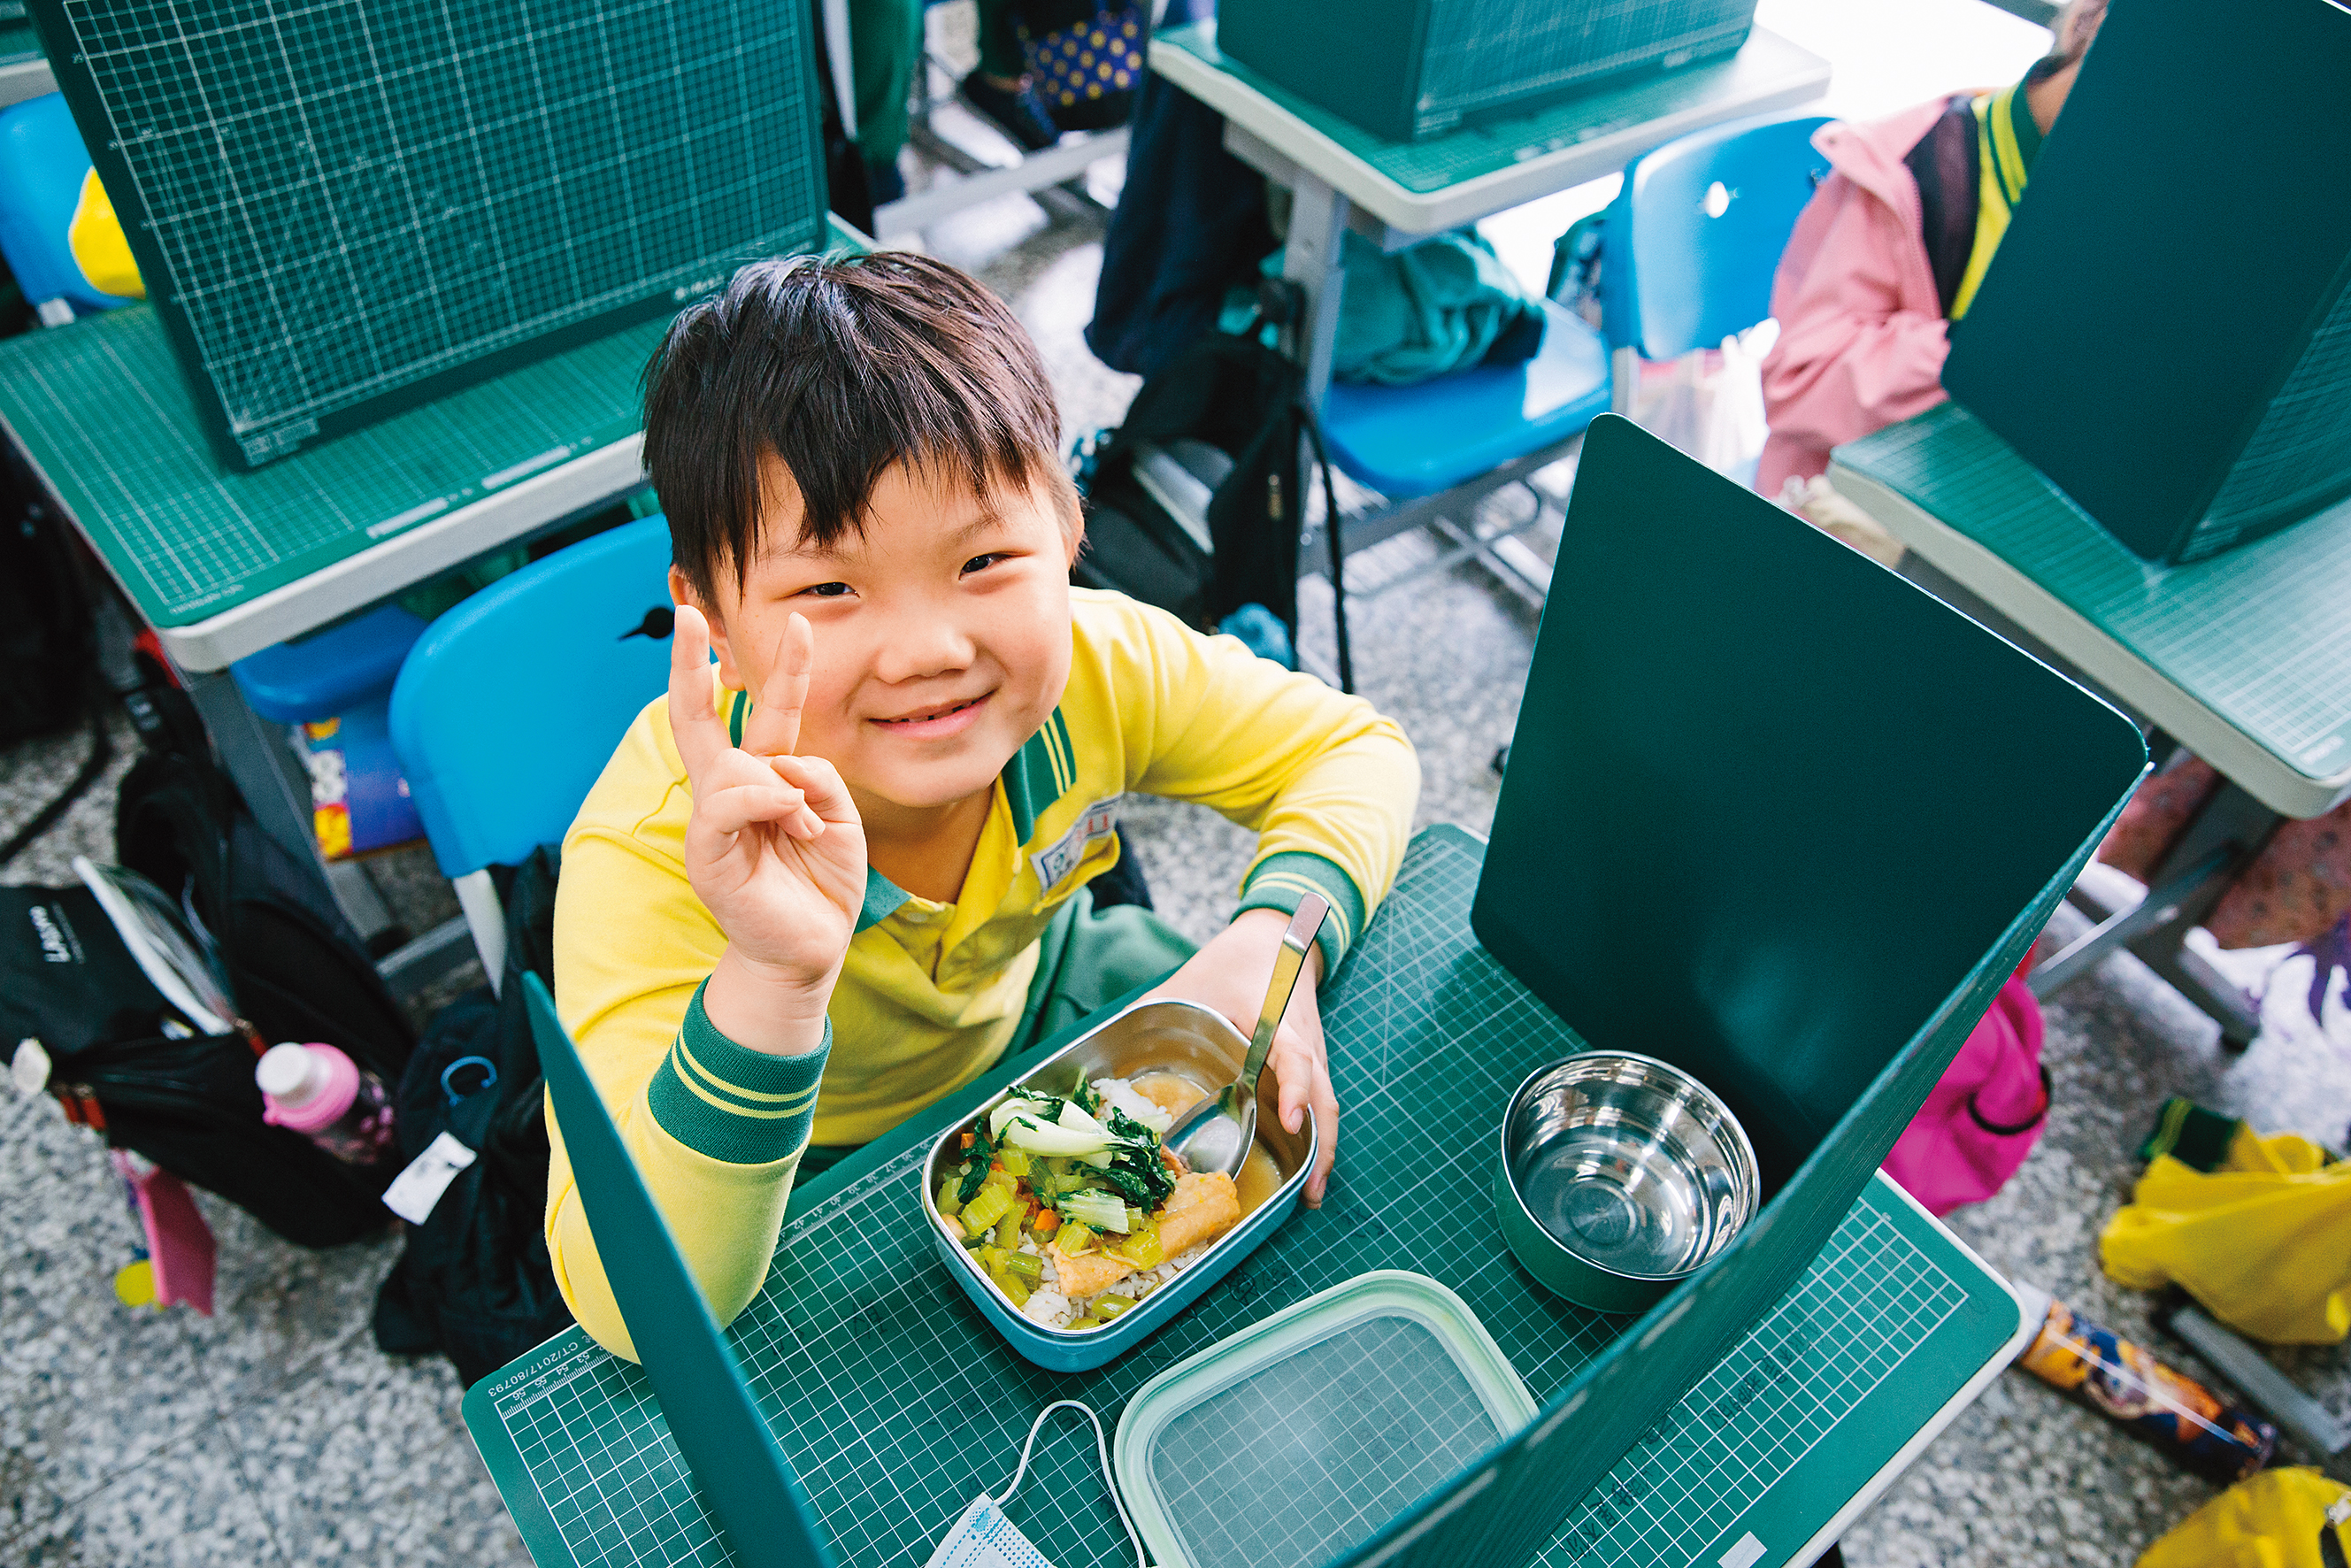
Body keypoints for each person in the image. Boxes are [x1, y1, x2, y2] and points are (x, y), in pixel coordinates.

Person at [546, 253, 1419, 1358]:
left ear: (1066, 534)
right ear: (707, 614)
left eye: (985, 559)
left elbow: (1355, 746)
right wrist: (769, 979)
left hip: (1048, 1017)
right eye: (827, 587)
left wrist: (1271, 939)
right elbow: (633, 1307)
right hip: (808, 1159)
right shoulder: (654, 848)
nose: (928, 652)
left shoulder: (1098, 660)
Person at [1755, 0, 2109, 501]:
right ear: (2092, 19)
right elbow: (1804, 384)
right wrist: (1986, 352)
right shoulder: (1917, 167)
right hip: (1859, 517)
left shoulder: (2176, 210)